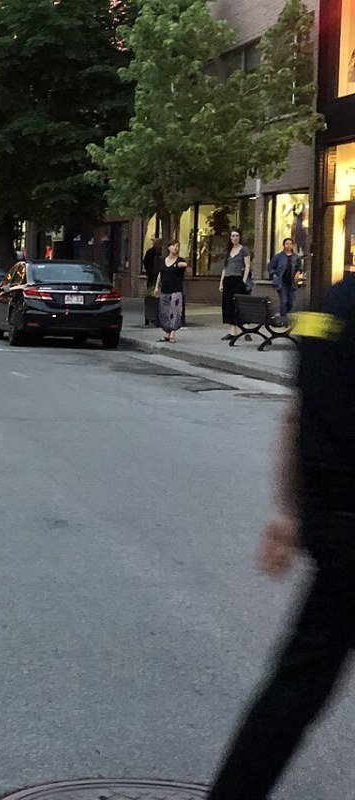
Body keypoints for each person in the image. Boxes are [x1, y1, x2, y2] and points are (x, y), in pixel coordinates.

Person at [206, 273, 355, 800]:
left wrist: (287, 512)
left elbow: (294, 412)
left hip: (326, 516)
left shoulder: (326, 307)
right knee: (302, 680)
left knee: (300, 679)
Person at [219, 229, 252, 339]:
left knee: (241, 305)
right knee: (229, 305)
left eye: (237, 235)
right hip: (228, 280)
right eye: (233, 236)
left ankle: (246, 331)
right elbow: (225, 268)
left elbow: (247, 265)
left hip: (238, 279)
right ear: (230, 238)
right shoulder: (228, 251)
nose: (235, 238)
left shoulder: (244, 250)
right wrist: (221, 283)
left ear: (240, 237)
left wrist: (243, 280)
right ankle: (233, 332)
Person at [153, 240, 188, 343]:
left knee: (174, 311)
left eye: (177, 246)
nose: (175, 248)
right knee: (164, 312)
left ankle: (172, 334)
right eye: (173, 245)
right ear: (168, 247)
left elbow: (186, 267)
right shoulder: (163, 260)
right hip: (165, 290)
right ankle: (167, 334)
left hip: (176, 290)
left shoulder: (180, 260)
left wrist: (183, 265)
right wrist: (156, 287)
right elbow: (161, 273)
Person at [268, 238, 303, 319]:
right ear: (283, 245)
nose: (288, 245)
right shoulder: (278, 257)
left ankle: (283, 314)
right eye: (287, 243)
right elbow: (270, 268)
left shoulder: (296, 257)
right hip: (281, 282)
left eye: (290, 244)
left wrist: (298, 273)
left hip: (292, 283)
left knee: (290, 302)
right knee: (284, 301)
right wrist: (275, 274)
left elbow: (300, 268)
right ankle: (283, 319)